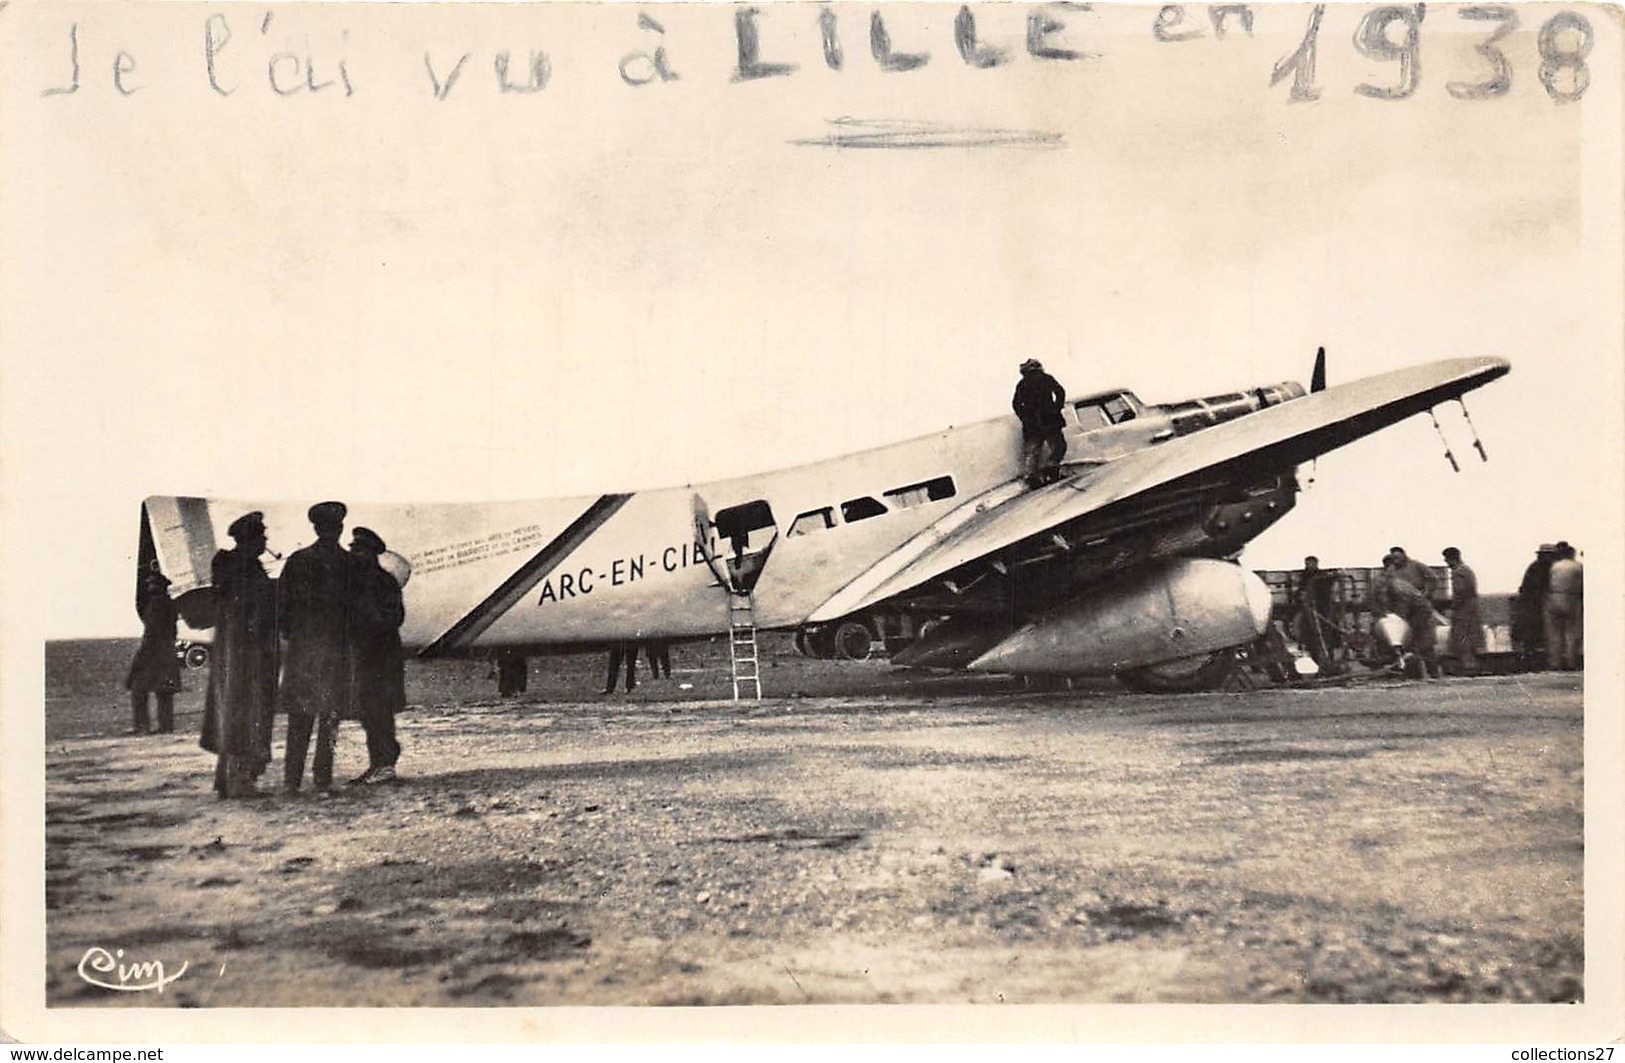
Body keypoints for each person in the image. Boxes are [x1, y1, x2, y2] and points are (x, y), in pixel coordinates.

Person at [278, 501, 357, 795]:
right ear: (337, 528)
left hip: (305, 654)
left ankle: (291, 780)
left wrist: (294, 635)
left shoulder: (298, 561)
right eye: (332, 527)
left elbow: (282, 608)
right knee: (329, 718)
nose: (332, 532)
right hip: (334, 652)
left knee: (301, 718)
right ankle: (322, 777)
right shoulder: (349, 564)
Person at [200, 511, 279, 798]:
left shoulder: (231, 567)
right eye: (262, 536)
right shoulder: (246, 569)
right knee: (247, 711)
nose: (266, 541)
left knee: (234, 710)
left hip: (234, 653)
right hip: (249, 655)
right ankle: (240, 781)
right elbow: (256, 611)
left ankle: (227, 779)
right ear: (252, 538)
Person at [347, 527, 405, 784]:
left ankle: (385, 764)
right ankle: (378, 763)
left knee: (379, 711)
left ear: (371, 553)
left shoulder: (383, 582)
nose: (355, 555)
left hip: (381, 657)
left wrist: (370, 623)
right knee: (369, 711)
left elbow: (395, 618)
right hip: (367, 657)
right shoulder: (360, 582)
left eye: (359, 550)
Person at [125, 568, 181, 734]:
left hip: (153, 652)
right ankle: (166, 726)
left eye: (152, 585)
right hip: (167, 651)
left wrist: (141, 656)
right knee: (164, 692)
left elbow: (151, 632)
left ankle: (142, 726)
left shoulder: (156, 605)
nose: (149, 587)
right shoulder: (169, 604)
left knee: (138, 688)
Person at [1379, 554, 1441, 680]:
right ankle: (1420, 674)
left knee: (1419, 644)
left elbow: (1404, 603)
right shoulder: (1395, 582)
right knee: (1417, 644)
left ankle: (1424, 674)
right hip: (1418, 612)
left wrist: (1400, 619)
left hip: (1420, 613)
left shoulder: (1396, 585)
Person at [1011, 358, 1067, 488]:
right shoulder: (1046, 378)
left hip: (1032, 424)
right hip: (1049, 419)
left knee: (1033, 450)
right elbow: (1060, 392)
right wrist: (1056, 407)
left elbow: (1016, 404)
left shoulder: (1022, 384)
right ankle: (1051, 468)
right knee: (1058, 446)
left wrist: (1024, 417)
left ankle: (1032, 478)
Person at [1290, 555, 1341, 672]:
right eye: (1307, 563)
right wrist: (1301, 597)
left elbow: (1329, 585)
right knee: (1311, 637)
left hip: (1324, 608)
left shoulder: (1322, 576)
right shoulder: (1304, 577)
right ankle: (1317, 662)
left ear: (1316, 563)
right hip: (1310, 610)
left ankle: (1329, 660)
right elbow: (1300, 592)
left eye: (1311, 563)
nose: (1309, 566)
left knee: (1329, 635)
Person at [1512, 544, 1557, 670]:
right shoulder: (1545, 568)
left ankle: (1530, 663)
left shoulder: (1534, 567)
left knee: (1530, 638)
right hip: (1534, 607)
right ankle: (1535, 663)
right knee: (1535, 636)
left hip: (1528, 606)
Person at [1442, 547, 1483, 675]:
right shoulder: (1467, 570)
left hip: (1463, 609)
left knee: (1461, 637)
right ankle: (1473, 664)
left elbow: (1460, 592)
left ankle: (1468, 666)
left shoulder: (1457, 572)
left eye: (1447, 560)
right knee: (1471, 636)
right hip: (1472, 607)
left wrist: (1453, 606)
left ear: (1451, 559)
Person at [1544, 541, 1583, 671]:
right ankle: (1571, 662)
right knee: (1571, 632)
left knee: (1554, 634)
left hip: (1554, 597)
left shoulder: (1555, 566)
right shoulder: (1578, 566)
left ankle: (1555, 662)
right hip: (1571, 597)